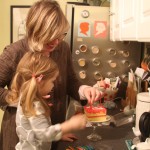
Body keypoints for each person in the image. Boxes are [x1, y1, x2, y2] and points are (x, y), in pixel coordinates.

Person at [0, 0, 102, 150]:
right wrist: (27, 97)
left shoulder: (63, 48)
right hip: (21, 138)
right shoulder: (14, 52)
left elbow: (71, 81)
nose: (56, 41)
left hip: (52, 130)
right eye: (51, 36)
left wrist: (84, 90)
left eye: (60, 35)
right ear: (35, 30)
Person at [6, 51, 86, 150]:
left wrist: (58, 135)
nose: (53, 85)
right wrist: (69, 125)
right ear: (40, 81)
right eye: (52, 81)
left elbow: (37, 130)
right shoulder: (34, 105)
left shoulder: (25, 97)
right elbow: (43, 134)